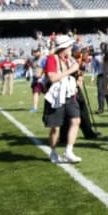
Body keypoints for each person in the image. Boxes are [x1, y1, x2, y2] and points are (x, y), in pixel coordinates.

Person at [42, 35, 82, 163]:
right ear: (64, 47)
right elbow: (52, 78)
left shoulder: (69, 59)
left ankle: (69, 151)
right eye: (69, 46)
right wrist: (70, 71)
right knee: (56, 127)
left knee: (76, 120)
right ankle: (53, 151)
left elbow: (76, 69)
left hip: (70, 95)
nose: (71, 48)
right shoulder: (52, 59)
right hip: (56, 97)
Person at [28, 47, 46, 113]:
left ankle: (50, 107)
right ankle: (35, 107)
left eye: (36, 52)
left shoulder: (43, 59)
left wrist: (42, 77)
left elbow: (46, 69)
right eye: (34, 52)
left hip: (43, 79)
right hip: (36, 79)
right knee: (35, 93)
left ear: (39, 52)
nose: (34, 53)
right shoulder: (33, 60)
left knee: (47, 94)